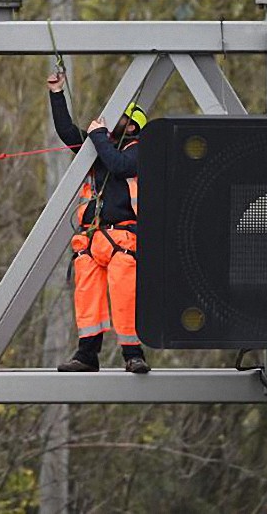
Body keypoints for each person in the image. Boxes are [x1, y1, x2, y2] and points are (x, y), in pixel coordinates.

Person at [47, 71, 150, 374]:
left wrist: (98, 136)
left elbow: (119, 167)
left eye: (118, 119)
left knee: (124, 296)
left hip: (122, 239)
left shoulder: (140, 152)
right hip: (92, 240)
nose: (108, 122)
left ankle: (133, 353)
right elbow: (67, 132)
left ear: (131, 126)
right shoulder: (99, 150)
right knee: (87, 298)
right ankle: (87, 354)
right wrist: (56, 93)